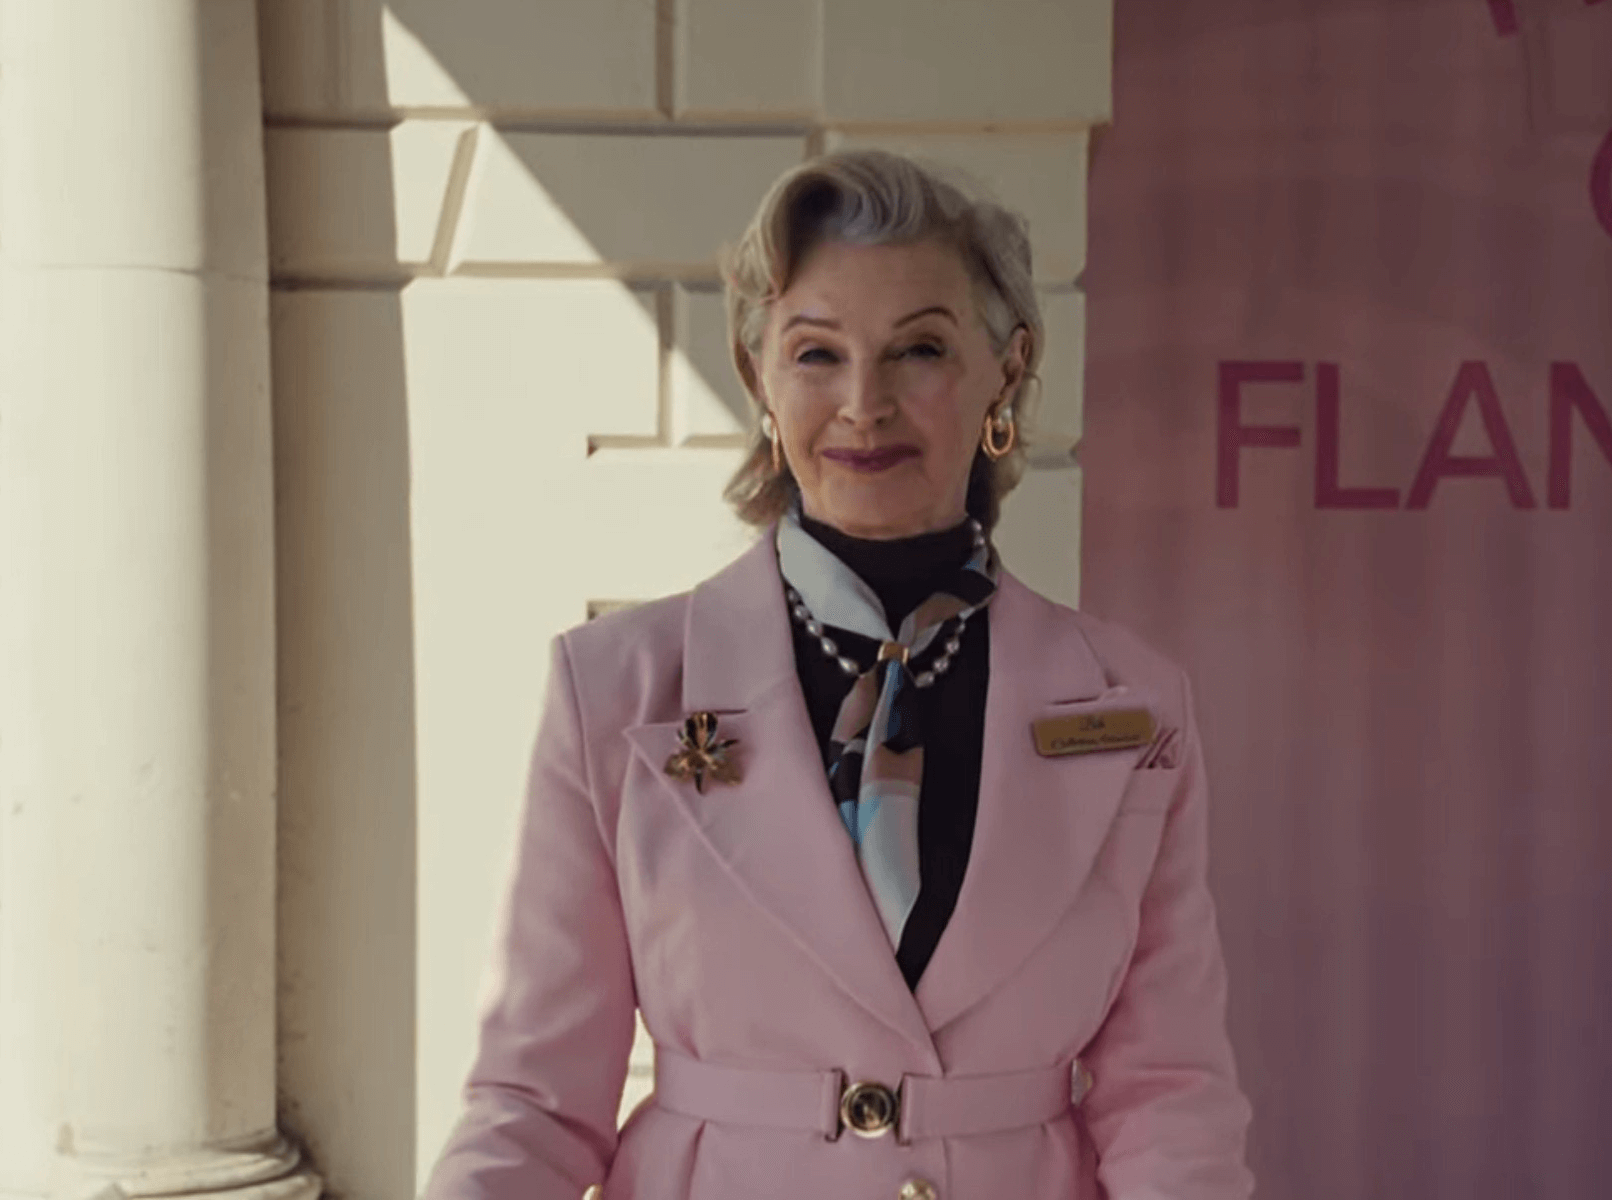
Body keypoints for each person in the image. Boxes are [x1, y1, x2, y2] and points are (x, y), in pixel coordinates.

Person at [421, 150, 1254, 1200]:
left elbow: (1169, 1094)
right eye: (817, 353)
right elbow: (534, 1106)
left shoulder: (1134, 705)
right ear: (757, 374)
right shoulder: (613, 690)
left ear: (1007, 370)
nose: (865, 404)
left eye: (920, 350)